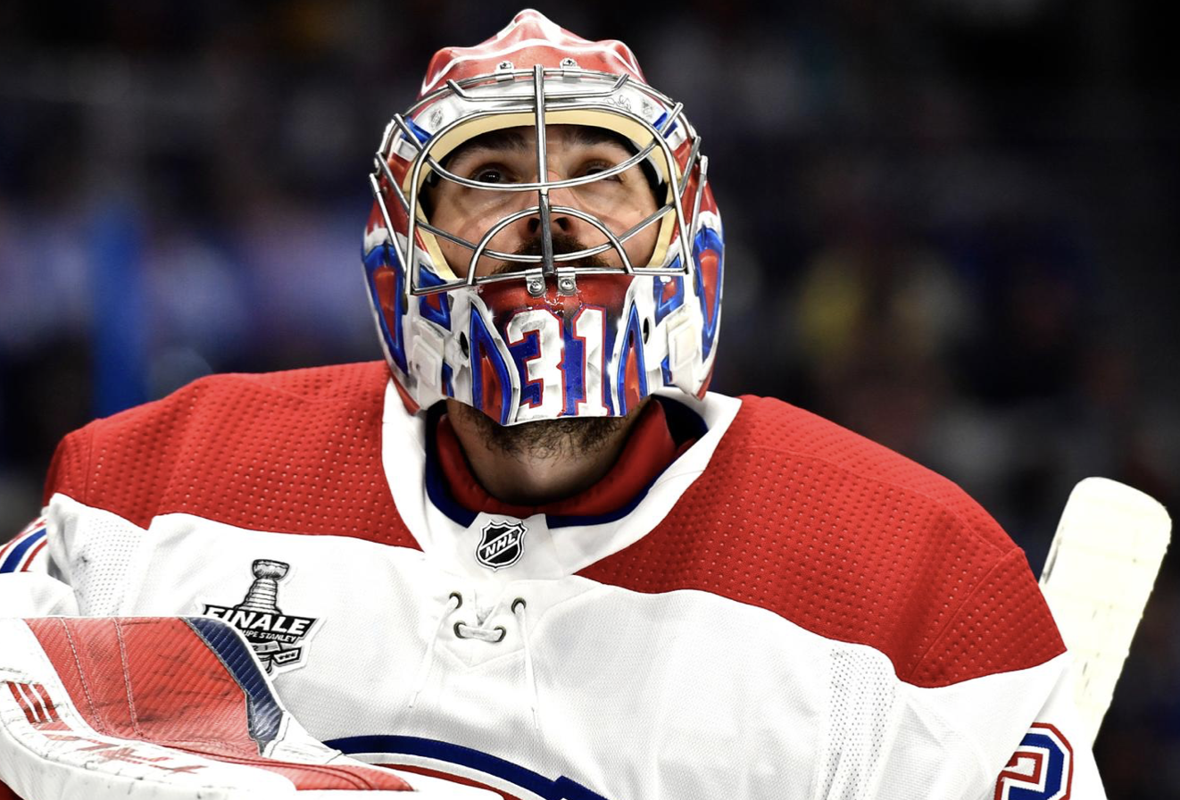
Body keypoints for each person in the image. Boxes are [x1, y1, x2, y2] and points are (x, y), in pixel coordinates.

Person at [0, 9, 1104, 799]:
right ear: (402, 259)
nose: (546, 215)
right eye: (487, 175)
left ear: (691, 250)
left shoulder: (919, 586)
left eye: (597, 176)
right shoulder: (155, 486)